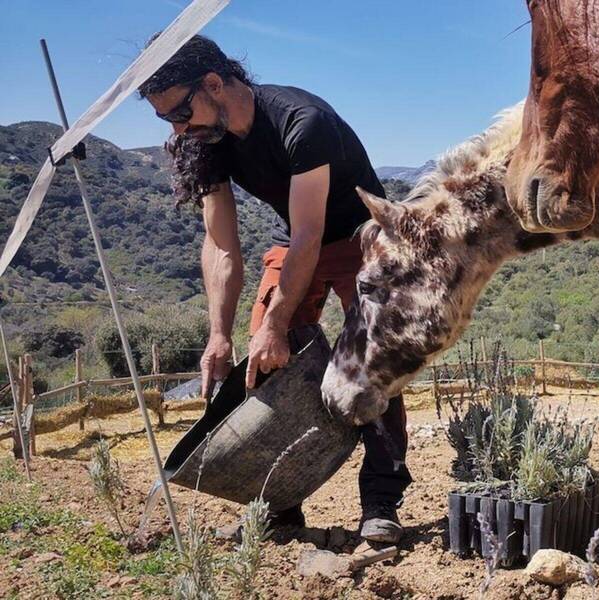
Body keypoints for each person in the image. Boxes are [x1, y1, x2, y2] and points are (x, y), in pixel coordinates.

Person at [139, 35, 410, 543]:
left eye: (179, 111)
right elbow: (221, 246)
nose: (177, 128)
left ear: (214, 83)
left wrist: (279, 323)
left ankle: (381, 501)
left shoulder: (300, 121)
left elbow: (313, 233)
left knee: (374, 368)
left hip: (360, 238)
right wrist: (219, 334)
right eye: (165, 119)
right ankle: (279, 505)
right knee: (261, 361)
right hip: (299, 239)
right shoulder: (207, 140)